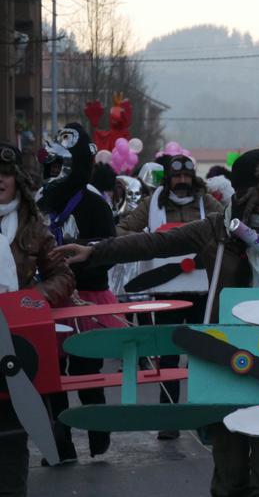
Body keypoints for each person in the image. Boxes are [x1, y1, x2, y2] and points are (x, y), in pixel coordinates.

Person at [53, 148, 259, 497]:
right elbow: (153, 243)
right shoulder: (215, 231)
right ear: (247, 193)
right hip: (222, 358)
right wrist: (95, 251)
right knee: (229, 474)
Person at [116, 153, 223, 439]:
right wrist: (142, 244)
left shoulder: (207, 203)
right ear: (168, 179)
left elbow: (230, 224)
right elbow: (123, 229)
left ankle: (204, 417)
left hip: (202, 291)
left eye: (187, 176)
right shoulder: (152, 203)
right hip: (166, 292)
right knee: (168, 355)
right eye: (177, 177)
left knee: (203, 355)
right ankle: (169, 417)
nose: (182, 181)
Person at [37, 123, 119, 462]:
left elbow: (109, 251)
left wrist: (75, 271)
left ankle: (97, 430)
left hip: (86, 299)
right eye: (52, 163)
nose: (54, 170)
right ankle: (61, 444)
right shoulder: (39, 202)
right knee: (51, 374)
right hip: (47, 299)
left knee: (86, 372)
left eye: (61, 163)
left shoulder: (95, 203)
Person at [0, 141, 74, 497]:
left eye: (5, 174)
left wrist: (30, 300)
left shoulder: (34, 227)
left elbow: (63, 275)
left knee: (13, 439)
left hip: (18, 346)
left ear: (17, 179)